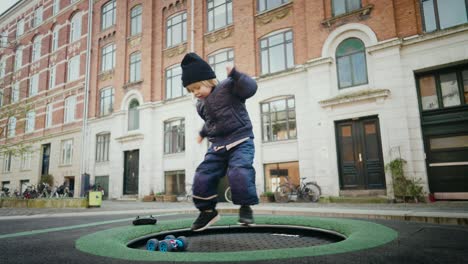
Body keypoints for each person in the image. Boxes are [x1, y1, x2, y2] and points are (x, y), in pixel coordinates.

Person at [181, 52, 259, 232]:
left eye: (197, 87)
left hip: (240, 140)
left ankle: (245, 208)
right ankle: (207, 211)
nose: (196, 93)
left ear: (209, 80)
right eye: (192, 91)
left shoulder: (228, 86)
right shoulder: (201, 105)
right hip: (218, 145)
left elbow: (250, 88)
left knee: (239, 172)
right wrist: (202, 133)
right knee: (202, 175)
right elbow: (211, 122)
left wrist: (236, 75)